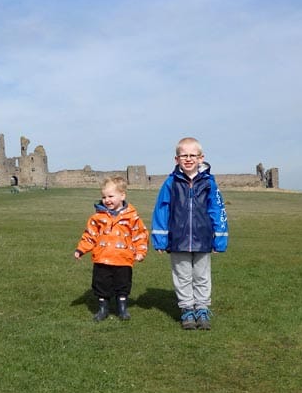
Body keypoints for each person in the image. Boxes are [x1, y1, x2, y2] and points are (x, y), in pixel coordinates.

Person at [151, 137, 229, 330]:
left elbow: (217, 210)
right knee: (183, 276)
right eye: (183, 155)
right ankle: (187, 309)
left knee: (202, 276)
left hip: (203, 238)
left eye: (192, 155)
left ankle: (202, 309)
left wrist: (220, 238)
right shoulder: (170, 183)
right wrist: (160, 238)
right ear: (176, 159)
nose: (188, 159)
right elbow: (162, 209)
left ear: (201, 158)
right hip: (178, 238)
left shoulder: (209, 183)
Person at [73, 176, 149, 321]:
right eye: (104, 197)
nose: (107, 200)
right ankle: (103, 309)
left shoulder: (132, 217)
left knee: (122, 285)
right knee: (101, 285)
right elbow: (90, 235)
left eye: (111, 196)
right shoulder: (97, 217)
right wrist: (81, 249)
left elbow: (140, 234)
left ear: (122, 196)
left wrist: (140, 252)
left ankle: (122, 308)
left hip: (123, 258)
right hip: (102, 258)